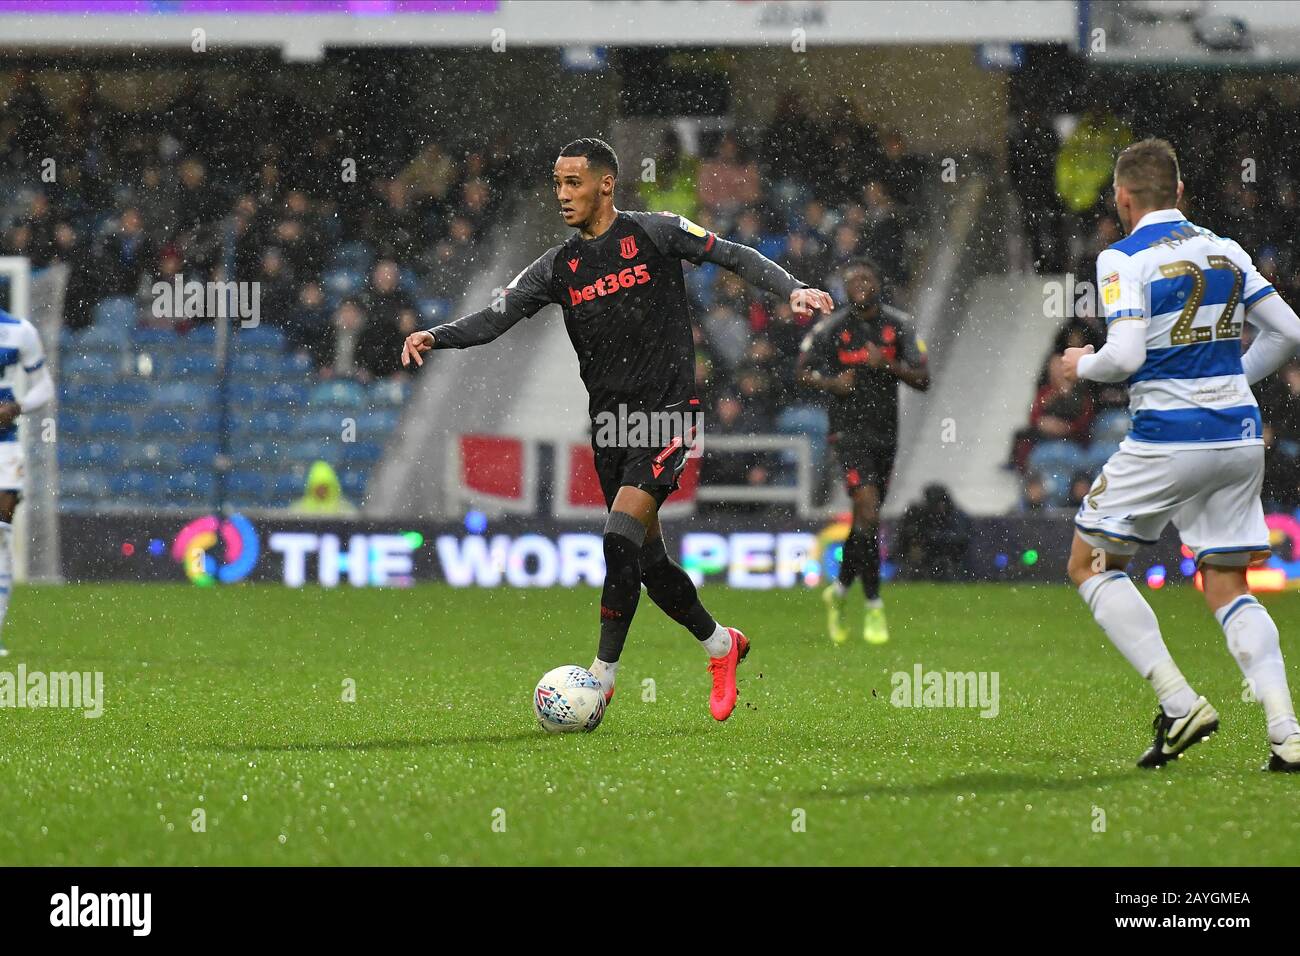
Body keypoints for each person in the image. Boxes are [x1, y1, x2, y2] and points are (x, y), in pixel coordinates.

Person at [401, 138, 832, 721]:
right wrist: (437, 334)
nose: (561, 195)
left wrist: (792, 289)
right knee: (649, 566)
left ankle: (601, 679)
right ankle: (722, 646)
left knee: (617, 537)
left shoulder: (653, 233)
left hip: (667, 417)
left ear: (606, 184)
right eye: (556, 184)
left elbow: (733, 255)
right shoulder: (558, 266)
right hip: (611, 426)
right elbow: (496, 317)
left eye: (572, 182)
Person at [1061, 138, 1300, 771]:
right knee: (1226, 580)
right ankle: (1286, 730)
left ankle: (1178, 701)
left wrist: (1079, 364)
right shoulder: (1227, 249)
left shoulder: (1122, 257)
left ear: (1123, 198)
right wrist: (1233, 383)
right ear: (1182, 194)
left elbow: (1126, 355)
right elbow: (1291, 333)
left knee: (1090, 563)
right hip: (1239, 435)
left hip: (1169, 436)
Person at [796, 258, 929, 645]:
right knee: (869, 511)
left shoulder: (898, 325)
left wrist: (887, 364)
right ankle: (873, 606)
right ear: (845, 286)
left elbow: (923, 378)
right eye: (853, 279)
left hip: (886, 436)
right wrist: (832, 383)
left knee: (866, 523)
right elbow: (802, 371)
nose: (860, 285)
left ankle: (837, 593)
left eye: (866, 278)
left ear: (878, 283)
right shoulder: (832, 329)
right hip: (848, 435)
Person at [0, 309, 54, 657]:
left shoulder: (19, 331)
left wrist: (16, 407)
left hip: (4, 445)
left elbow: (45, 385)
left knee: (0, 532)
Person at [289, 460, 357, 515]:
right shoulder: (298, 511)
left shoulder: (345, 511)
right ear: (311, 488)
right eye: (318, 487)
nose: (321, 491)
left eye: (324, 487)